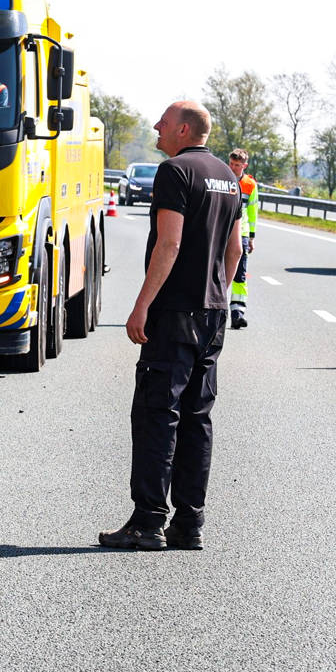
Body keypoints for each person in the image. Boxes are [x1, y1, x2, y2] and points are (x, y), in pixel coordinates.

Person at [99, 99, 243, 552]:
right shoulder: (228, 177)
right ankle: (189, 524)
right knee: (197, 418)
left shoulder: (174, 173)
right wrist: (216, 290)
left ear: (183, 130)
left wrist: (143, 305)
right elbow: (235, 252)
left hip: (176, 313)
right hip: (214, 311)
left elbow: (170, 242)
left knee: (157, 415)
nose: (156, 126)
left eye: (163, 121)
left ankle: (147, 522)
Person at [228, 149, 258, 329]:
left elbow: (253, 211)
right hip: (222, 231)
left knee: (240, 275)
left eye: (237, 165)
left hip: (242, 233)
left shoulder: (250, 184)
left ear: (244, 166)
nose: (233, 168)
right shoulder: (222, 178)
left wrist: (252, 237)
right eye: (231, 163)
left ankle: (237, 313)